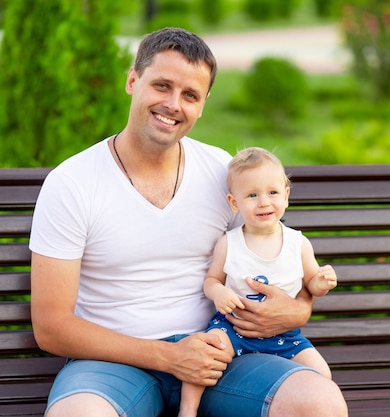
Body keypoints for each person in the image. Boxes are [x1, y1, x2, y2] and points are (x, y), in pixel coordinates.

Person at [29, 27, 348, 417]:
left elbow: (273, 252)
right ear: (133, 80)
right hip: (112, 361)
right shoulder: (73, 182)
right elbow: (51, 327)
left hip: (220, 353)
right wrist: (169, 356)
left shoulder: (222, 174)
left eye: (190, 95)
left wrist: (300, 309)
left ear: (203, 104)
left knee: (320, 403)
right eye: (162, 85)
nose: (173, 104)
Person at [179, 147, 338, 417]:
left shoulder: (297, 243)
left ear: (286, 196)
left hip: (284, 335)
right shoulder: (229, 243)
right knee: (206, 351)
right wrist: (218, 293)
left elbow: (311, 283)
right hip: (233, 328)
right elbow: (212, 280)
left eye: (272, 192)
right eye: (252, 195)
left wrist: (321, 282)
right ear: (234, 203)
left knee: (322, 372)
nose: (264, 202)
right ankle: (188, 409)